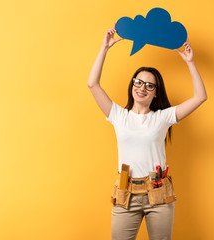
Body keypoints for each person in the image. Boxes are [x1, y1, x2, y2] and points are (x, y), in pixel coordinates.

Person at [87, 26, 207, 240]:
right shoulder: (118, 115)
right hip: (126, 193)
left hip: (158, 193)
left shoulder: (162, 117)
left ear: (155, 93)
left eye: (149, 86)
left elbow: (200, 97)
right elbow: (92, 84)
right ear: (132, 85)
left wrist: (190, 62)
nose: (142, 87)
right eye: (138, 82)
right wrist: (104, 47)